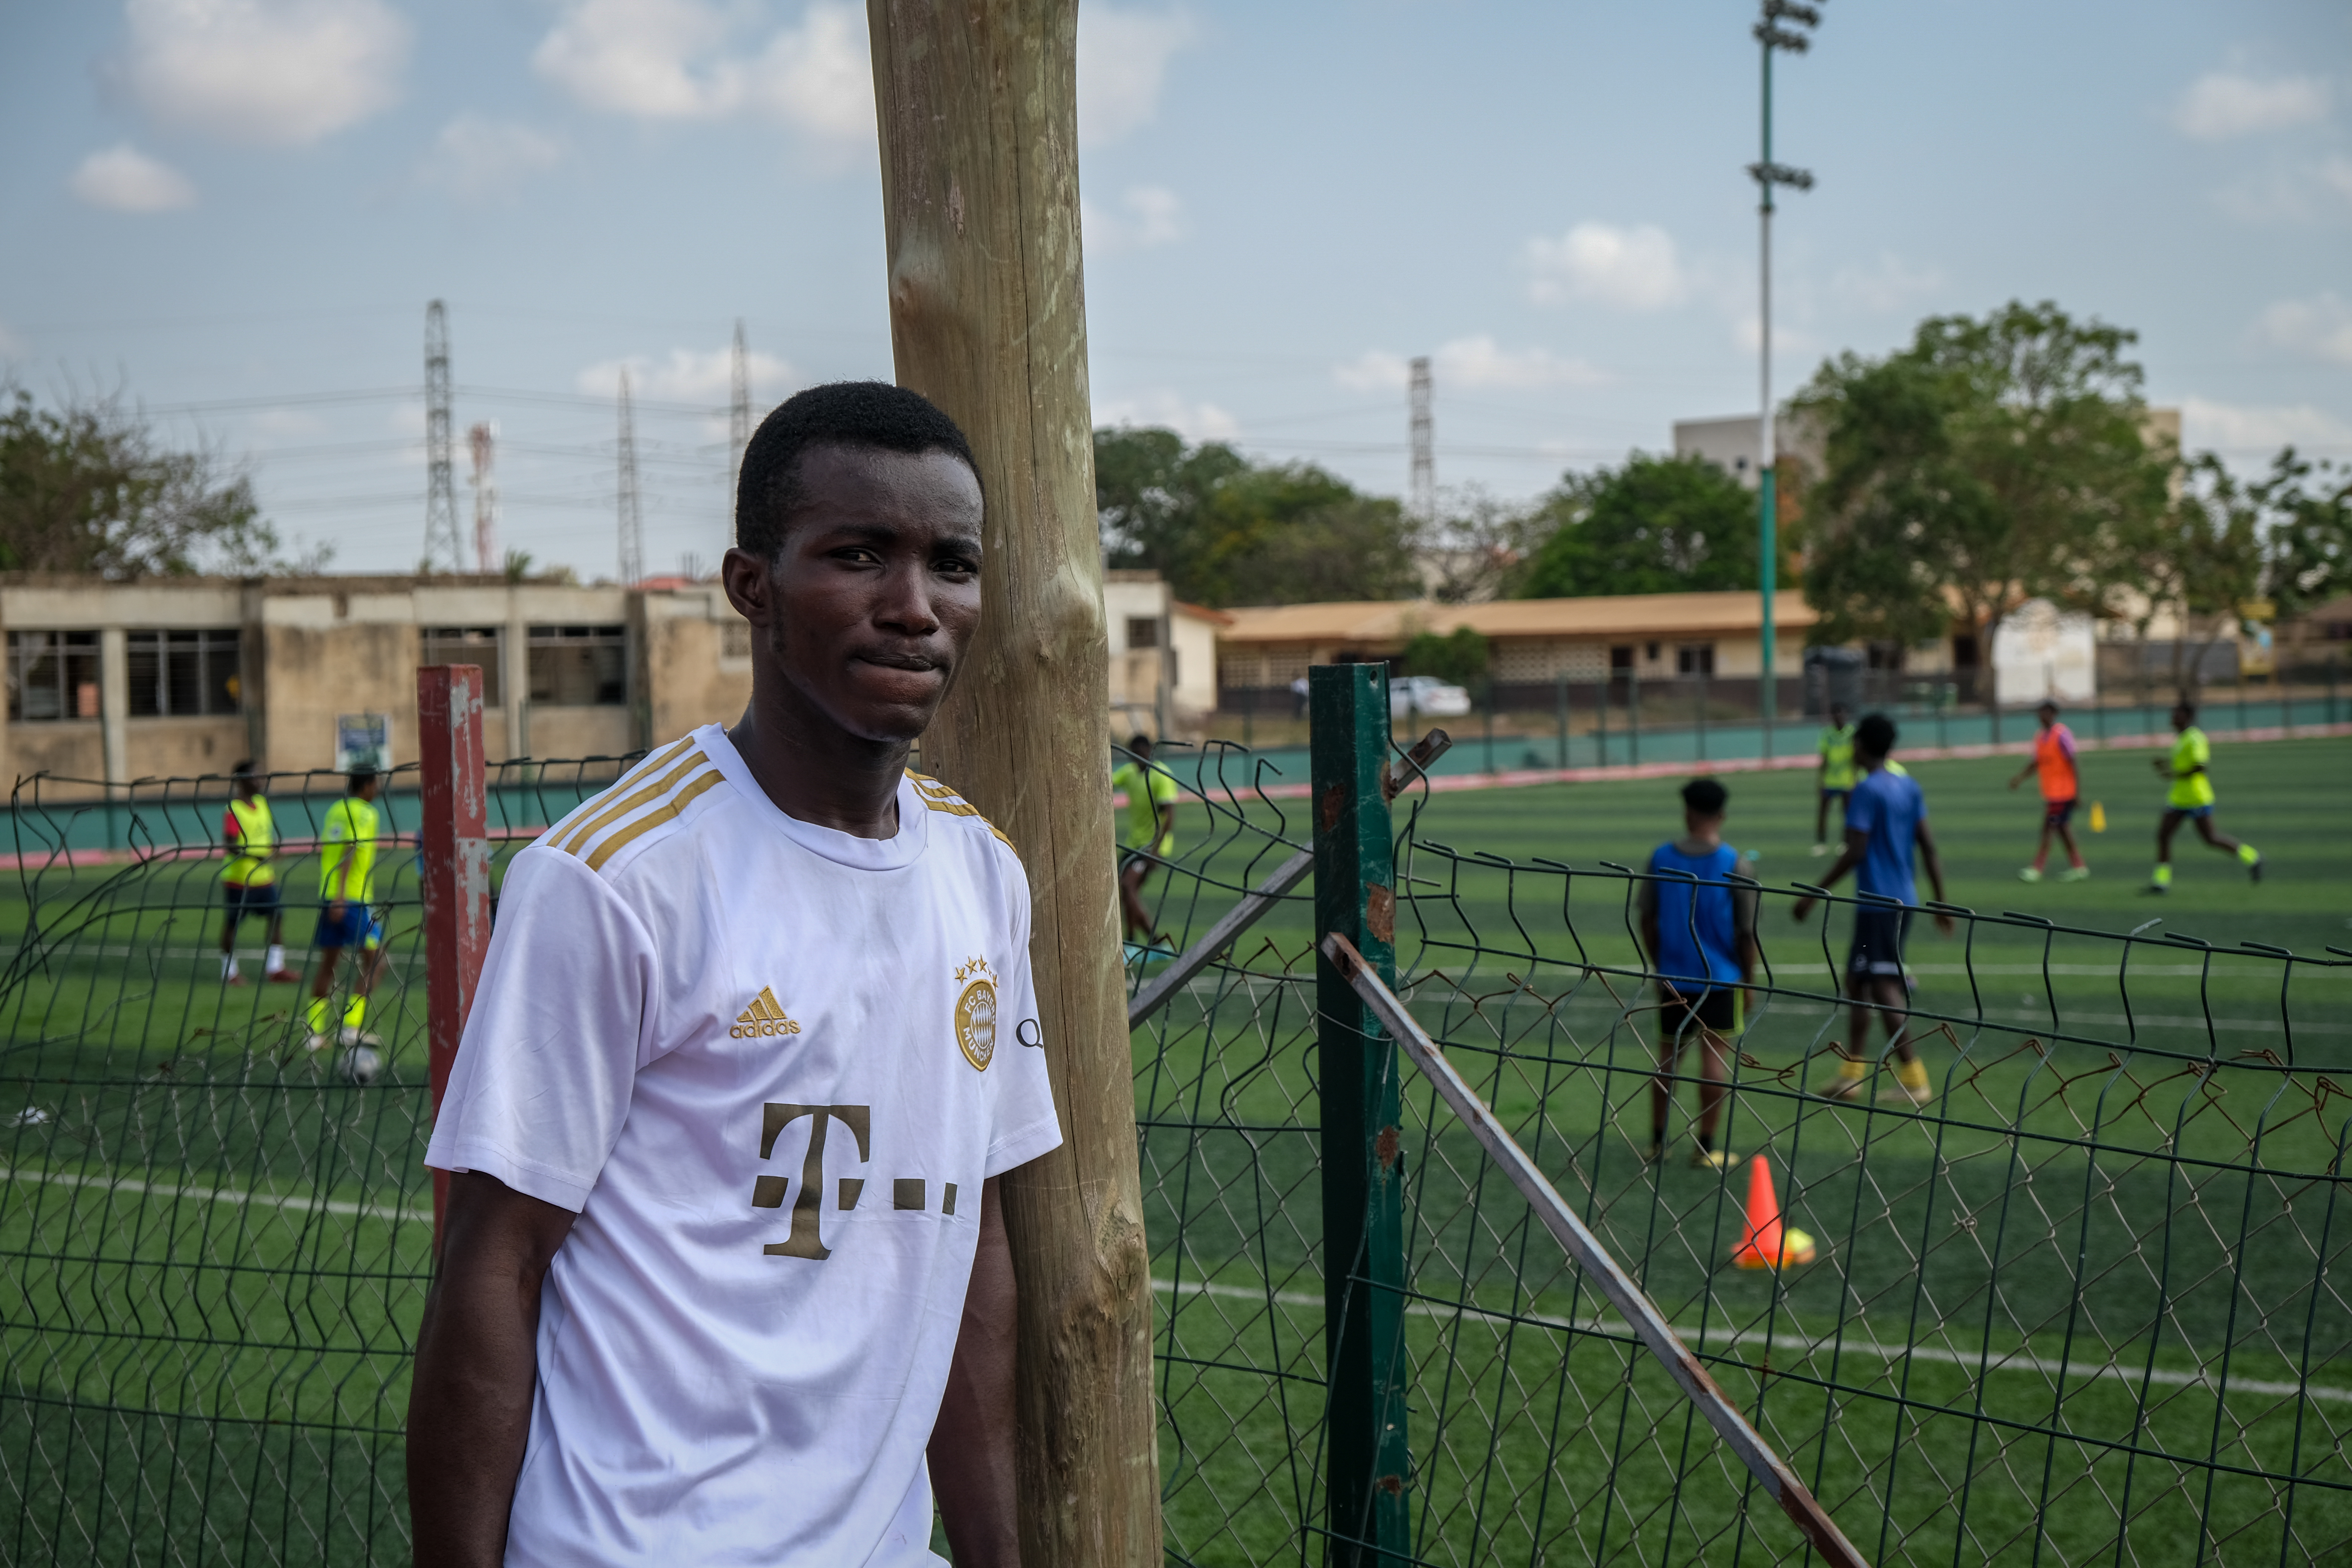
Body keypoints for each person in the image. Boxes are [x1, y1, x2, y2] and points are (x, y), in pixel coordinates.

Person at [408, 382, 1060, 1568]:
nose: (913, 608)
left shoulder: (982, 874)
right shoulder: (615, 876)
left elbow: (974, 1249)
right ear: (751, 584)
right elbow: (493, 1265)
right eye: (858, 557)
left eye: (950, 564)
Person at [1790, 713, 1954, 1107]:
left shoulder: (1866, 790)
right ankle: (1851, 1075)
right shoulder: (1908, 786)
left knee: (1882, 986)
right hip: (1902, 900)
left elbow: (1856, 850)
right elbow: (1928, 847)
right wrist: (1940, 902)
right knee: (1859, 982)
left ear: (1862, 745)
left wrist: (1814, 893)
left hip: (1878, 903)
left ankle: (1915, 1079)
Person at [1636, 777, 1757, 1171]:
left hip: (1673, 976)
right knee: (1714, 1057)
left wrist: (1660, 963)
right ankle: (1705, 1147)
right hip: (1720, 978)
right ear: (1722, 814)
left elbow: (1647, 919)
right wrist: (1748, 980)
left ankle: (1658, 1142)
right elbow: (1746, 932)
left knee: (1668, 1057)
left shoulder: (1659, 857)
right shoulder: (1735, 863)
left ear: (1687, 811)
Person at [306, 764, 387, 1050]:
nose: (378, 789)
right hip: (352, 900)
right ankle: (352, 1029)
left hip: (330, 895)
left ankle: (313, 1034)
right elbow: (351, 849)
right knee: (377, 961)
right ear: (367, 786)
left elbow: (328, 850)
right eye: (376, 784)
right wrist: (342, 896)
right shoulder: (366, 813)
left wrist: (332, 895)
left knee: (329, 963)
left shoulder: (334, 810)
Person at [2149, 697, 2260, 893]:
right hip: (2178, 797)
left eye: (2177, 713)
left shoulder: (2195, 738)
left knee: (2211, 839)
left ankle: (2253, 858)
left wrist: (2172, 773)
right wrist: (2166, 765)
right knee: (2163, 835)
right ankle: (2161, 883)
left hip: (2197, 797)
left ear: (2187, 716)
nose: (2172, 717)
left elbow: (2201, 766)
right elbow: (2184, 765)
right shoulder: (2182, 738)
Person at [217, 760, 295, 985]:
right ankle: (229, 973)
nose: (260, 780)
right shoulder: (234, 810)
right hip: (239, 879)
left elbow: (264, 836)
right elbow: (230, 846)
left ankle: (275, 968)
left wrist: (273, 850)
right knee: (233, 924)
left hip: (264, 878)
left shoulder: (262, 803)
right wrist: (256, 856)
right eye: (255, 776)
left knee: (277, 916)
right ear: (242, 782)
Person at [2008, 700, 2088, 882]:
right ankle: (2079, 866)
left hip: (2063, 792)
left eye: (2043, 712)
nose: (2040, 716)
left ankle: (2037, 868)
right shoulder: (2041, 737)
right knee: (2062, 828)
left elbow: (2073, 761)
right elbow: (2036, 762)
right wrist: (2019, 778)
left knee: (2049, 828)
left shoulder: (2062, 735)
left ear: (2053, 714)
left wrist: (2077, 792)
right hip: (2052, 793)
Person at [1112, 732, 1179, 948]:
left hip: (1153, 845)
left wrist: (1156, 851)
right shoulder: (1130, 773)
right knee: (1126, 891)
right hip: (1134, 843)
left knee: (1128, 885)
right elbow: (1107, 783)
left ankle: (1145, 941)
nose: (1141, 758)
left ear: (1151, 751)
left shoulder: (1161, 775)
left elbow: (1169, 816)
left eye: (1144, 753)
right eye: (1136, 754)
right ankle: (1144, 943)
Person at [1812, 701, 1856, 855]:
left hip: (1847, 780)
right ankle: (1821, 843)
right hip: (1830, 780)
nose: (1840, 717)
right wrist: (1821, 780)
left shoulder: (1852, 733)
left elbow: (1856, 758)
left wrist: (1855, 778)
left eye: (1842, 714)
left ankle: (1845, 843)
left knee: (1848, 814)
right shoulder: (1827, 734)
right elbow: (1824, 759)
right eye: (1837, 714)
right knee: (1823, 813)